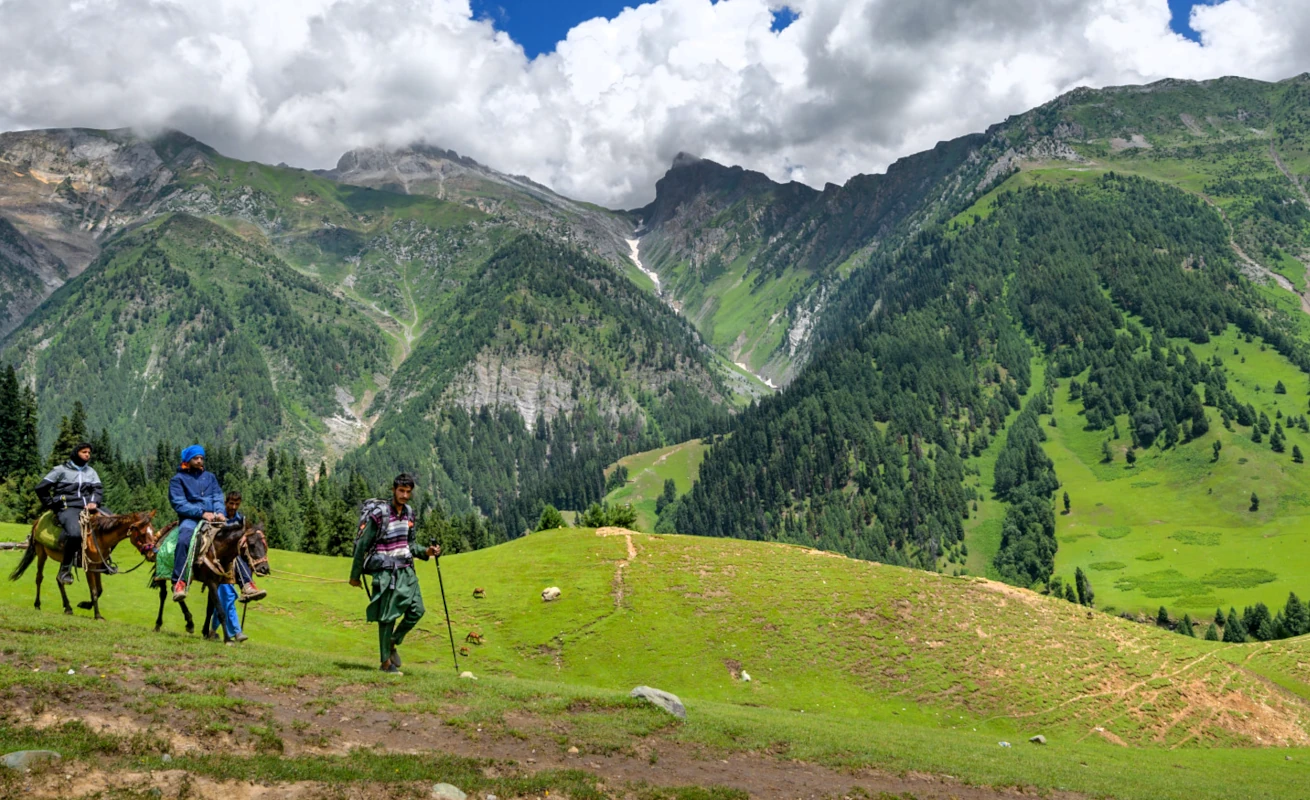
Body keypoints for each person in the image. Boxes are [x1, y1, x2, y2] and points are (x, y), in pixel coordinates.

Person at [349, 474, 440, 674]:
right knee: (387, 617)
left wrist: (427, 552)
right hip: (386, 572)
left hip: (407, 570)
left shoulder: (409, 513)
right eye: (401, 491)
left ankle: (391, 642)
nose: (405, 495)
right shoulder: (379, 515)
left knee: (418, 610)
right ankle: (385, 664)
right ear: (393, 490)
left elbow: (411, 544)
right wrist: (355, 576)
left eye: (408, 492)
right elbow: (362, 545)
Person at [35, 442, 109, 585]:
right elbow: (41, 488)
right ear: (76, 453)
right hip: (68, 508)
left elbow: (98, 490)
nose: (87, 455)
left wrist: (94, 502)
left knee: (112, 521)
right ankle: (65, 570)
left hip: (88, 507)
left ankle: (103, 561)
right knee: (75, 533)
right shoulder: (59, 470)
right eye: (84, 452)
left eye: (89, 452)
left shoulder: (91, 472)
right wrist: (51, 505)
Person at [202, 491, 262, 643]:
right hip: (216, 562)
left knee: (223, 597)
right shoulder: (219, 516)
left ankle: (212, 630)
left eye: (236, 504)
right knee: (227, 595)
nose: (233, 507)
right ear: (225, 503)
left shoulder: (241, 520)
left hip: (234, 562)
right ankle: (236, 631)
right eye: (231, 504)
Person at [168, 445, 225, 602]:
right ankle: (179, 581)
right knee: (184, 540)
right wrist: (201, 513)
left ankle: (246, 581)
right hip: (190, 518)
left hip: (213, 517)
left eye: (201, 458)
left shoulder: (210, 477)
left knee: (235, 536)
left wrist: (220, 512)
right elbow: (179, 503)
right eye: (196, 458)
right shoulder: (178, 480)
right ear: (187, 460)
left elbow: (218, 496)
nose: (200, 461)